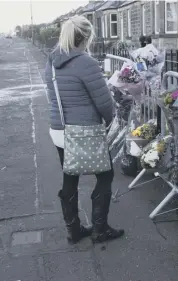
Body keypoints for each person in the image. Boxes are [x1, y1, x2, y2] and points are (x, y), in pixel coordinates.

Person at [44, 15, 124, 244]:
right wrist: (110, 121)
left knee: (70, 176)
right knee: (105, 175)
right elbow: (104, 103)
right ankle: (100, 229)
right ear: (86, 36)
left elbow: (52, 94)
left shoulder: (51, 61)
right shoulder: (86, 62)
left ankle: (74, 231)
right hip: (85, 129)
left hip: (59, 129)